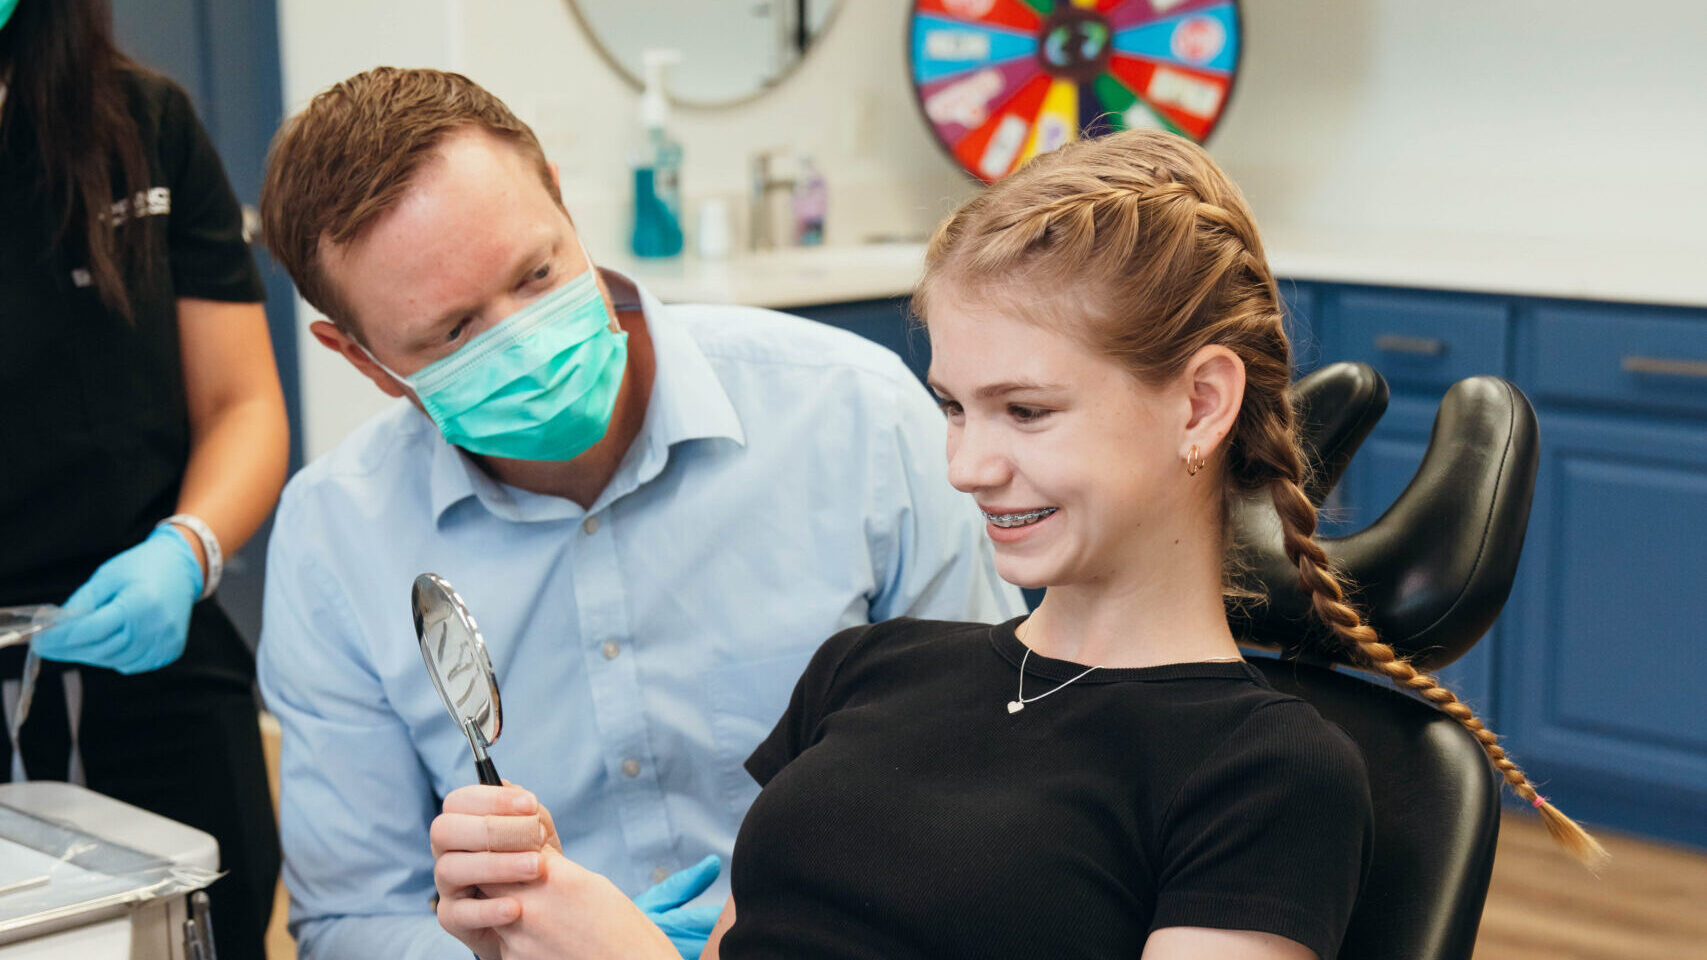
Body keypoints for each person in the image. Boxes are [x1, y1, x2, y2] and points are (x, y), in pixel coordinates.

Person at [427, 128, 1609, 960]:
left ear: (1200, 405)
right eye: (953, 405)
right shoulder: (869, 667)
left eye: (1026, 412)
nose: (967, 466)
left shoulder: (1268, 776)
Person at [254, 67, 1022, 960]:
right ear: (361, 358)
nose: (525, 341)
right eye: (454, 332)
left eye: (537, 274)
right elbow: (350, 921)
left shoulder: (851, 417)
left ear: (557, 192)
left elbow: (993, 773)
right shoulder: (334, 538)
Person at [0, 1, 290, 957]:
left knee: (204, 919)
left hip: (147, 640)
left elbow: (242, 405)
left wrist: (188, 546)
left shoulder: (143, 126)